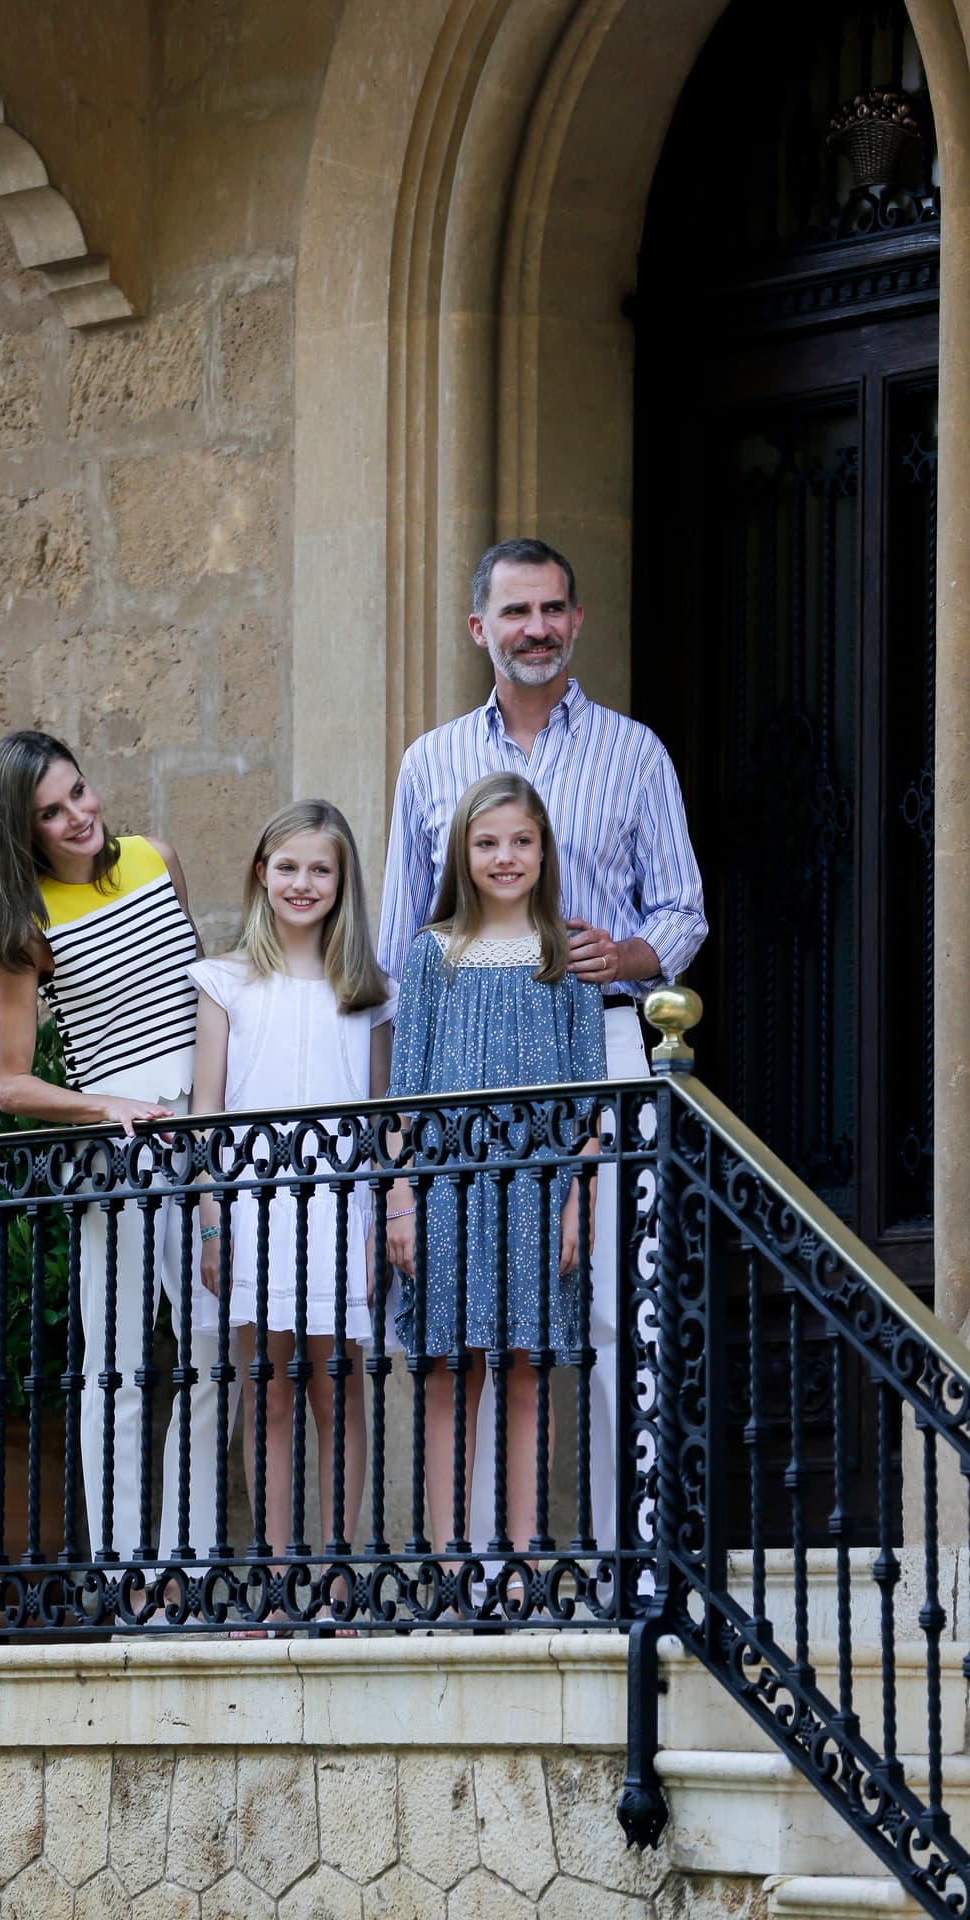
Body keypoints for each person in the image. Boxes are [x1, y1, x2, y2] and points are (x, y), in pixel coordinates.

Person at [377, 538, 707, 1549]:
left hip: (597, 1050)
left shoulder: (633, 751)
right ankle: (470, 1572)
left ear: (575, 620)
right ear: (479, 628)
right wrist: (391, 1165)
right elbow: (398, 956)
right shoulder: (430, 762)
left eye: (552, 609)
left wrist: (628, 952)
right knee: (469, 1327)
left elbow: (684, 909)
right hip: (456, 1072)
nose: (536, 628)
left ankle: (627, 1567)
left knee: (605, 1313)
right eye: (515, 611)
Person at [0, 728, 229, 1565]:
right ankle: (127, 1577)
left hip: (204, 1134)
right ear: (23, 830)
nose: (79, 815)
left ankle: (186, 1566)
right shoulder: (27, 922)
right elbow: (11, 1084)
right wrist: (102, 1101)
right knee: (113, 1370)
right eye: (51, 810)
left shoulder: (157, 856)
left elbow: (202, 995)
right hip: (113, 1151)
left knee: (215, 1349)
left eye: (79, 791)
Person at [385, 773, 606, 1561]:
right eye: (487, 843)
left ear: (544, 850)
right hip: (446, 1191)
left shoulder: (566, 955)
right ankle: (450, 1566)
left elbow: (591, 1103)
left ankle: (521, 1563)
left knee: (526, 1372)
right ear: (462, 853)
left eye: (520, 841)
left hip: (539, 1195)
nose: (504, 857)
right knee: (449, 1373)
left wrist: (579, 1198)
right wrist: (401, 1198)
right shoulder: (430, 954)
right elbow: (401, 1098)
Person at [188, 800, 396, 1586]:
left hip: (342, 1213)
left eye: (321, 869)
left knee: (338, 1397)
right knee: (269, 1395)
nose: (303, 883)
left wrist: (386, 1213)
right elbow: (207, 1109)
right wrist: (211, 1216)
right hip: (252, 1210)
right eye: (288, 867)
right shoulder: (226, 981)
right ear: (260, 873)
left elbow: (382, 1118)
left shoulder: (368, 990)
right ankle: (276, 1581)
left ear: (343, 883)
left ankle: (337, 1574)